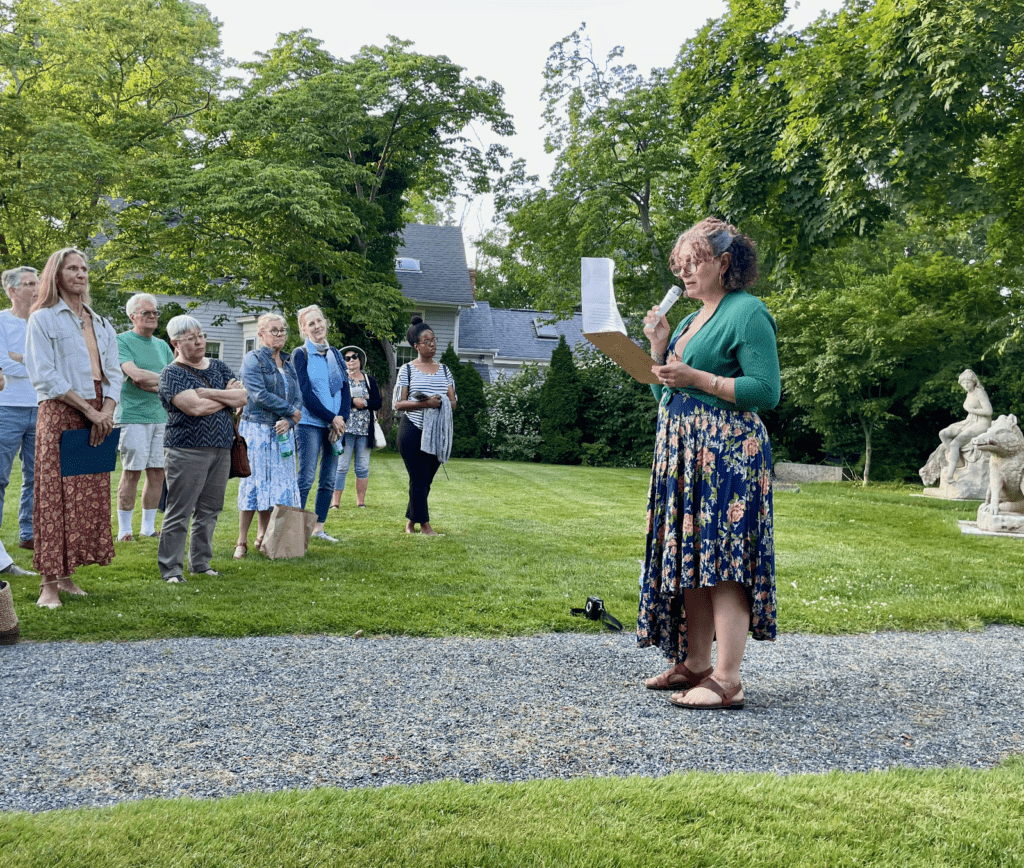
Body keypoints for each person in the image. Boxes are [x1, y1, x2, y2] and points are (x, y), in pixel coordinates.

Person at [639, 217, 780, 710]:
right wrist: (659, 350)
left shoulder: (747, 312)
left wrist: (696, 376)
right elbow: (665, 392)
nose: (684, 274)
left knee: (725, 562)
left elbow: (766, 390)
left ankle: (728, 679)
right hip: (683, 454)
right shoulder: (687, 319)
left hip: (728, 455)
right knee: (694, 559)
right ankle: (696, 663)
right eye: (680, 266)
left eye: (693, 263)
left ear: (723, 263)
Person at [25, 247, 123, 608]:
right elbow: (45, 375)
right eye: (72, 269)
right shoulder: (44, 319)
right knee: (54, 497)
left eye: (84, 269)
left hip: (98, 409)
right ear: (57, 275)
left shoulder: (101, 322)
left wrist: (107, 409)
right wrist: (89, 410)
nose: (81, 274)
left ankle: (67, 577)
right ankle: (48, 584)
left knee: (85, 496)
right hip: (62, 409)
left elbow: (113, 372)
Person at [157, 315, 247, 583]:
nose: (199, 342)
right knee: (180, 510)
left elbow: (242, 397)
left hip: (221, 448)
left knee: (210, 509)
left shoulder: (218, 366)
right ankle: (171, 569)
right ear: (175, 343)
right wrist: (225, 397)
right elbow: (193, 408)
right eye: (191, 339)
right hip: (186, 450)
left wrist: (208, 393)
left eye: (201, 336)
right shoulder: (172, 373)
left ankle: (201, 563)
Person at [234, 313, 302, 558]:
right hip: (258, 430)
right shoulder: (252, 359)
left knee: (278, 486)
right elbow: (258, 394)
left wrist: (289, 420)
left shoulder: (289, 361)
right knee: (254, 483)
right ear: (260, 334)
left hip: (282, 431)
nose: (280, 334)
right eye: (274, 330)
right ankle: (241, 541)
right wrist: (291, 412)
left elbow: (297, 396)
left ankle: (266, 538)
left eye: (283, 330)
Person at [114, 293, 174, 541]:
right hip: (133, 416)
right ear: (132, 316)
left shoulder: (162, 345)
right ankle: (124, 530)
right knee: (132, 472)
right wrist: (163, 382)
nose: (152, 317)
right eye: (146, 313)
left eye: (155, 313)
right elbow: (135, 376)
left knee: (157, 472)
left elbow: (176, 379)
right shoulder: (121, 341)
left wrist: (155, 382)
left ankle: (148, 527)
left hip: (161, 416)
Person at [394, 316, 457, 535]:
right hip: (412, 431)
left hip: (438, 432)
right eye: (427, 341)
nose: (432, 344)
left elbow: (453, 401)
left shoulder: (445, 370)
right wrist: (424, 403)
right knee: (420, 478)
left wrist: (441, 403)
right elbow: (398, 404)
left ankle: (411, 522)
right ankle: (425, 527)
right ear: (416, 346)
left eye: (434, 339)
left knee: (424, 481)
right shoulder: (407, 370)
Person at [292, 305, 349, 542]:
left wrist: (341, 419)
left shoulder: (335, 354)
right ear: (304, 329)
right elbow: (305, 393)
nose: (317, 327)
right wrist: (331, 417)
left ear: (325, 322)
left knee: (328, 478)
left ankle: (319, 528)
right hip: (310, 424)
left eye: (319, 321)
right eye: (310, 324)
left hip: (335, 425)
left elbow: (345, 388)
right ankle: (294, 530)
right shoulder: (300, 354)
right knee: (305, 478)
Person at [0, 266, 39, 554]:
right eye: (28, 283)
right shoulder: (1, 322)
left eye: (36, 282)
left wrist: (19, 359)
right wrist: (36, 364)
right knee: (0, 478)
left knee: (37, 477)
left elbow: (56, 363)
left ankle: (29, 534)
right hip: (6, 409)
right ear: (12, 291)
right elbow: (3, 363)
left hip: (41, 407)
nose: (36, 288)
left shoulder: (42, 322)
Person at [330, 345, 382, 509]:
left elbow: (378, 402)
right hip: (345, 430)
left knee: (363, 466)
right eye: (347, 358)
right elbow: (334, 401)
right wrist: (352, 401)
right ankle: (335, 502)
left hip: (365, 430)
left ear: (360, 360)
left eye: (354, 357)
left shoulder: (369, 380)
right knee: (342, 466)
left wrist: (365, 403)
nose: (351, 360)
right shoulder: (340, 379)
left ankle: (360, 502)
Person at [939, 369, 992, 484]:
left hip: (982, 423)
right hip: (969, 421)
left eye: (967, 382)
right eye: (963, 383)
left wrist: (970, 409)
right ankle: (957, 459)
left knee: (955, 443)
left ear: (973, 382)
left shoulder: (979, 392)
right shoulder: (969, 393)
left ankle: (950, 475)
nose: (965, 385)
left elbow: (989, 411)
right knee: (943, 433)